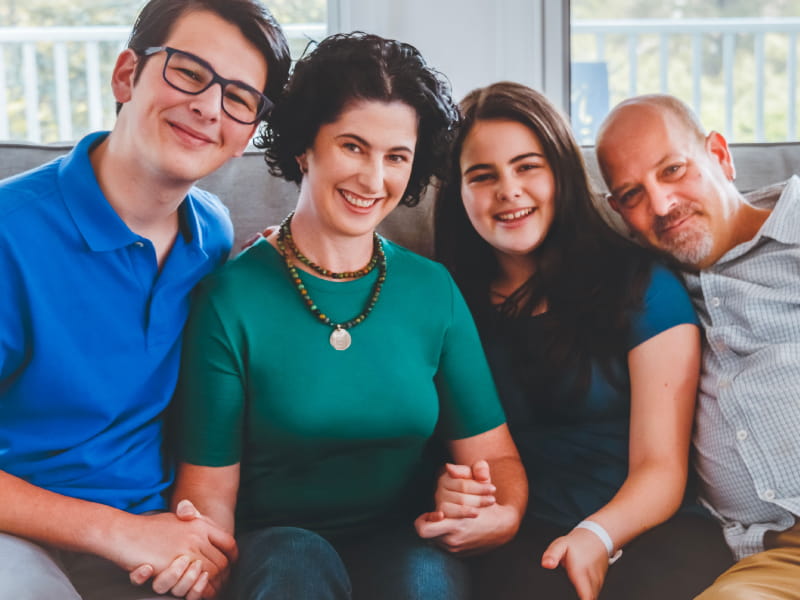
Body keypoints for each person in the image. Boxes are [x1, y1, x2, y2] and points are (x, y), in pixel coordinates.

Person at [170, 33, 527, 600]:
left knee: (423, 584)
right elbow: (207, 496)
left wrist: (496, 516)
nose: (373, 178)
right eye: (353, 147)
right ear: (304, 147)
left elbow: (497, 460)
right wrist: (205, 563)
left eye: (396, 157)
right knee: (296, 562)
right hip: (275, 551)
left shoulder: (432, 290)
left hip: (406, 540)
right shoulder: (230, 299)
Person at [0, 1, 290, 599]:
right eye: (189, 71)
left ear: (244, 137)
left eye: (238, 97)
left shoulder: (212, 235)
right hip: (20, 533)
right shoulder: (11, 231)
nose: (209, 106)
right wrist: (116, 531)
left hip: (156, 534)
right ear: (126, 75)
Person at [433, 82, 733, 600]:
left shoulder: (641, 284)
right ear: (458, 194)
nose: (508, 190)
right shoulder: (442, 300)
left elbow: (660, 467)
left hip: (650, 527)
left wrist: (595, 535)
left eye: (528, 166)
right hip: (524, 534)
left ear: (562, 174)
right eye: (483, 176)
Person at [596, 93, 800, 600]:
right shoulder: (649, 294)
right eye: (633, 194)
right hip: (775, 561)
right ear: (618, 212)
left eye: (672, 170)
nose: (662, 205)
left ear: (720, 155)